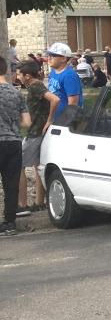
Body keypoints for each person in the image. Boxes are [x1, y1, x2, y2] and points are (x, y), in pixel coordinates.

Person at [0, 58, 30, 237]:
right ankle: (9, 222)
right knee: (11, 183)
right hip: (13, 142)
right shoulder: (16, 93)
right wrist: (11, 123)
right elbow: (27, 122)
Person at [14, 61, 48, 217]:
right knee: (38, 165)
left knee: (18, 164)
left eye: (19, 74)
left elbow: (54, 99)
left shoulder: (35, 86)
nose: (17, 77)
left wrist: (49, 120)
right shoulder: (35, 86)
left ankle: (23, 204)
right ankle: (39, 202)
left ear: (27, 76)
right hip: (37, 132)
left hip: (34, 133)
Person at [43, 43, 83, 128]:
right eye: (48, 55)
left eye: (53, 56)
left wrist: (63, 125)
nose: (49, 58)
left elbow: (72, 104)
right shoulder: (53, 72)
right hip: (55, 117)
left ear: (63, 58)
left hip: (65, 122)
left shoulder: (69, 76)